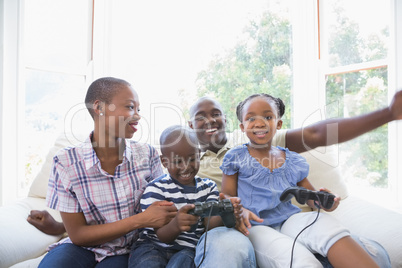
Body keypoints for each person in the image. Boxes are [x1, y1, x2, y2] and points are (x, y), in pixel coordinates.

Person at [29, 90, 402, 266]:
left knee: (365, 250)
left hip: (271, 220)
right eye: (200, 118)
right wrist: (61, 228)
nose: (210, 122)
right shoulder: (173, 159)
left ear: (232, 121)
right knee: (227, 247)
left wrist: (386, 114)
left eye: (217, 114)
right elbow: (128, 205)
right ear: (189, 129)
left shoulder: (254, 143)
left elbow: (319, 135)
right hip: (217, 230)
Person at [220, 93, 380, 268]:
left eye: (267, 117)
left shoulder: (293, 160)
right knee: (297, 258)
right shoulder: (235, 157)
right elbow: (226, 195)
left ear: (278, 123)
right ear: (242, 127)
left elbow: (310, 195)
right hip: (255, 226)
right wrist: (239, 210)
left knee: (327, 227)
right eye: (251, 119)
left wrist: (324, 200)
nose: (259, 123)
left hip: (290, 219)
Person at [36, 77, 178, 267]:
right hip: (81, 248)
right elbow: (77, 235)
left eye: (138, 109)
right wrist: (139, 220)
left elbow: (162, 211)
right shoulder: (65, 162)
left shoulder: (148, 154)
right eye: (129, 107)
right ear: (99, 107)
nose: (137, 116)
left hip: (126, 250)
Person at [128, 125, 241, 268]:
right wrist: (176, 225)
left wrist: (224, 211)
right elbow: (161, 236)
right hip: (153, 246)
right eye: (177, 162)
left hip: (187, 249)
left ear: (199, 154)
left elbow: (209, 225)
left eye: (192, 159)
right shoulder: (156, 189)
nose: (186, 167)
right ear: (164, 161)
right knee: (148, 263)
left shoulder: (208, 187)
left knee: (184, 261)